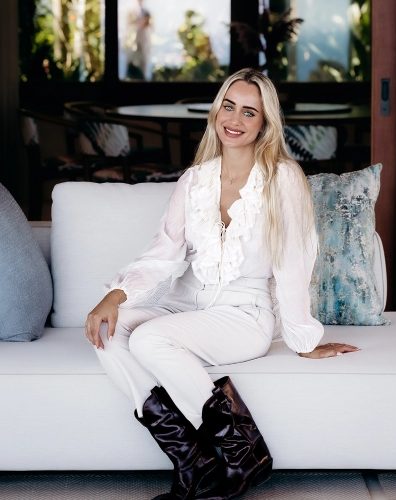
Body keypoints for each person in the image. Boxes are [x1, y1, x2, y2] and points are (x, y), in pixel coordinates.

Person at [85, 68, 359, 500]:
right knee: (107, 331)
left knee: (150, 340)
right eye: (228, 106)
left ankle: (242, 451)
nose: (234, 119)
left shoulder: (283, 178)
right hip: (185, 305)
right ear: (216, 111)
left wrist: (303, 339)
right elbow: (164, 252)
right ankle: (192, 461)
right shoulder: (194, 180)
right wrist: (115, 296)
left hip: (243, 314)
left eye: (249, 112)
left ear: (264, 124)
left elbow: (293, 261)